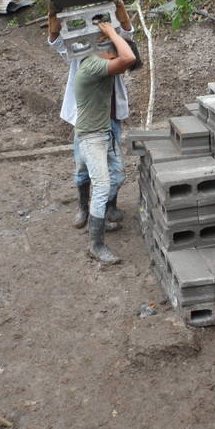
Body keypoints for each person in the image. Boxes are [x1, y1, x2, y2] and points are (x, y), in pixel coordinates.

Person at [48, 0, 134, 229]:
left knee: (115, 169)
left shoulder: (114, 44)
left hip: (110, 115)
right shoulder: (77, 50)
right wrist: (52, 10)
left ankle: (109, 206)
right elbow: (54, 39)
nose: (96, 33)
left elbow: (127, 30)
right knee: (83, 169)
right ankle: (84, 207)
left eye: (100, 27)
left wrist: (118, 4)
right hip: (85, 120)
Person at [74, 20, 135, 264]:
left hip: (104, 133)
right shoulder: (92, 65)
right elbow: (128, 57)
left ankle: (100, 220)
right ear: (105, 48)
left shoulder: (99, 64)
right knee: (100, 187)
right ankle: (96, 246)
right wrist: (109, 31)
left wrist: (116, 26)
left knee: (117, 176)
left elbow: (128, 53)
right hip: (91, 137)